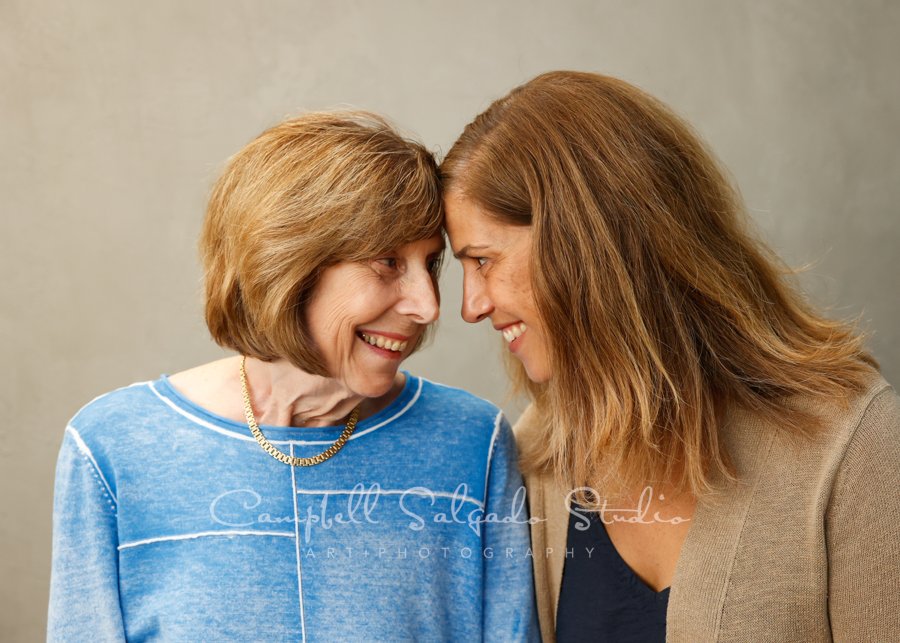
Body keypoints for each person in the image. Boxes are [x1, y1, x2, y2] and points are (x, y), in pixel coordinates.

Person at [441, 71, 900, 642]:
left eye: (482, 260)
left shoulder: (853, 445)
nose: (470, 306)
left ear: (586, 243)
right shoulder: (541, 454)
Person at [48, 111, 538, 642]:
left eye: (430, 263)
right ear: (287, 267)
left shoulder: (471, 442)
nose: (427, 306)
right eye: (387, 262)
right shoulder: (114, 448)